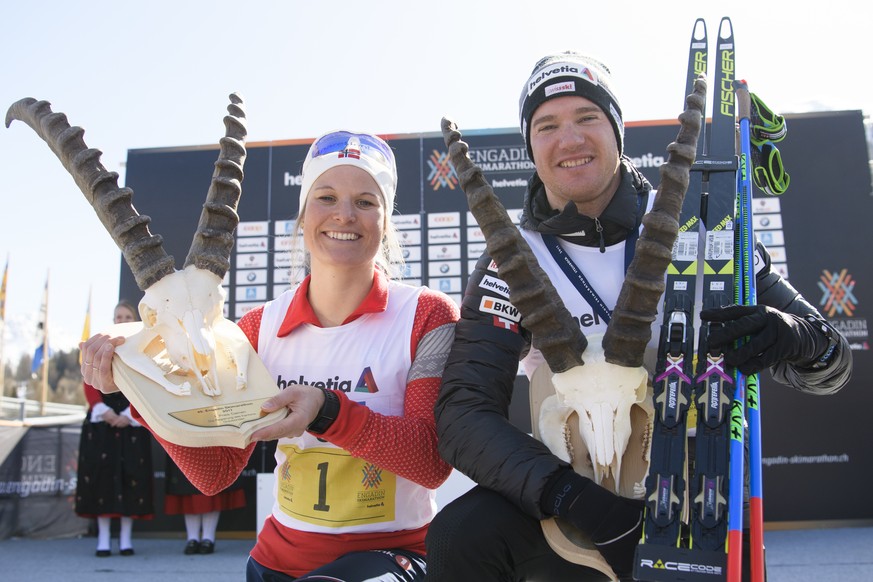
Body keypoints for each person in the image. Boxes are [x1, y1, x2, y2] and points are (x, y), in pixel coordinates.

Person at [425, 52, 852, 581]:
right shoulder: (511, 257)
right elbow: (464, 413)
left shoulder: (705, 227)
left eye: (587, 118)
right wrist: (566, 494)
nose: (570, 139)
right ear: (530, 145)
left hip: (694, 492)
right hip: (574, 495)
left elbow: (831, 360)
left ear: (616, 129)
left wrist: (795, 339)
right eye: (547, 125)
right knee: (461, 534)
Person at [81, 130, 460, 581]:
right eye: (326, 196)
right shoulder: (256, 329)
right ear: (302, 215)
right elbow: (216, 472)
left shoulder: (426, 316)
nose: (344, 214)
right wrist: (141, 387)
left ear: (386, 219)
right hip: (275, 562)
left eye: (365, 201)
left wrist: (326, 411)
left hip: (390, 557)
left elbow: (430, 463)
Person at [75, 299, 154, 557]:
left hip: (131, 423)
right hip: (102, 426)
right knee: (102, 480)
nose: (121, 320)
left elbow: (146, 383)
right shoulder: (99, 344)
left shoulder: (145, 349)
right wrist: (105, 412)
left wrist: (128, 414)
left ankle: (126, 539)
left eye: (126, 316)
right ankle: (104, 539)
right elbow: (89, 379)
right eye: (117, 316)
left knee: (131, 478)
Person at [163, 451, 246, 555]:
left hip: (210, 442)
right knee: (187, 487)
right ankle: (192, 538)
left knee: (211, 486)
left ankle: (208, 538)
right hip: (186, 443)